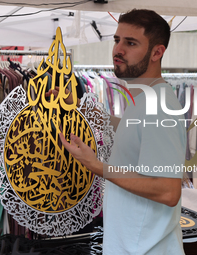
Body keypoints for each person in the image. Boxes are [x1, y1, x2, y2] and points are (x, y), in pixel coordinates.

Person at [51, 9, 186, 255]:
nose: (118, 50)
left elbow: (168, 191)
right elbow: (134, 131)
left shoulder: (157, 106)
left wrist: (97, 166)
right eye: (117, 40)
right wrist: (82, 108)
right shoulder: (147, 100)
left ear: (157, 52)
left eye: (131, 43)